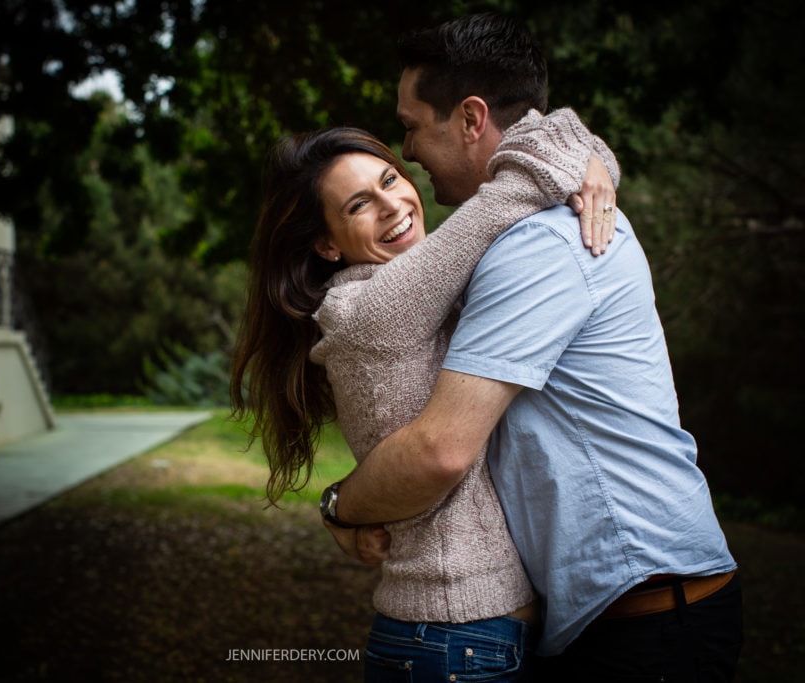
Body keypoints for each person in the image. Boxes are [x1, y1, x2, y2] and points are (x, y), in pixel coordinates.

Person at [325, 12, 743, 681]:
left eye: (411, 126)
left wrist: (342, 505)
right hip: (613, 613)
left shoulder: (539, 244)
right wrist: (584, 156)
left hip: (647, 613)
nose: (406, 152)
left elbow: (441, 448)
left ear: (469, 118)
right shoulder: (530, 224)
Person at [231, 104, 619, 681]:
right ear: (328, 246)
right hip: (453, 638)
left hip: (462, 637)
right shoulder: (370, 309)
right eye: (359, 205)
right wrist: (588, 157)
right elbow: (509, 195)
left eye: (390, 179)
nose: (393, 206)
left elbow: (560, 171)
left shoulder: (408, 292)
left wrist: (590, 162)